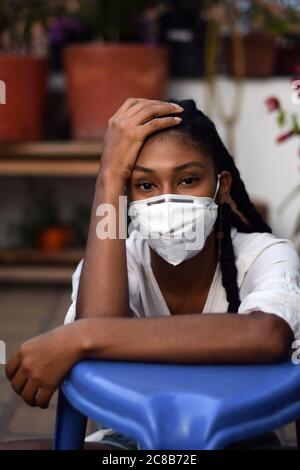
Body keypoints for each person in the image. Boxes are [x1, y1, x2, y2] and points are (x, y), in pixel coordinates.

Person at [2, 98, 300, 450]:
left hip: (237, 439)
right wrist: (108, 178)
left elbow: (267, 334)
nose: (168, 201)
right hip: (130, 442)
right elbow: (99, 330)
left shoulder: (264, 254)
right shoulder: (117, 261)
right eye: (145, 186)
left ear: (222, 186)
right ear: (126, 197)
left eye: (188, 179)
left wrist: (78, 336)